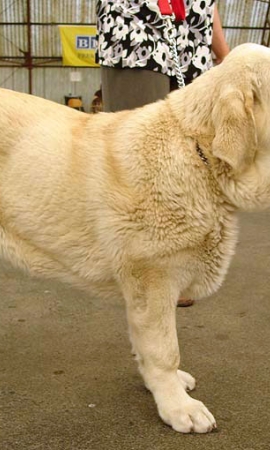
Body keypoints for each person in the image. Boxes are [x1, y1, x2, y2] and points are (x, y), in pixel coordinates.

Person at [96, 0, 229, 307]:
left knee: (191, 161)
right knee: (141, 159)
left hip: (192, 40)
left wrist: (222, 51)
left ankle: (175, 264)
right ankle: (143, 268)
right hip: (136, 30)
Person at [96, 0, 230, 112]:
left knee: (192, 139)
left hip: (195, 36)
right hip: (134, 26)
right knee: (137, 136)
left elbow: (208, 6)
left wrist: (224, 54)